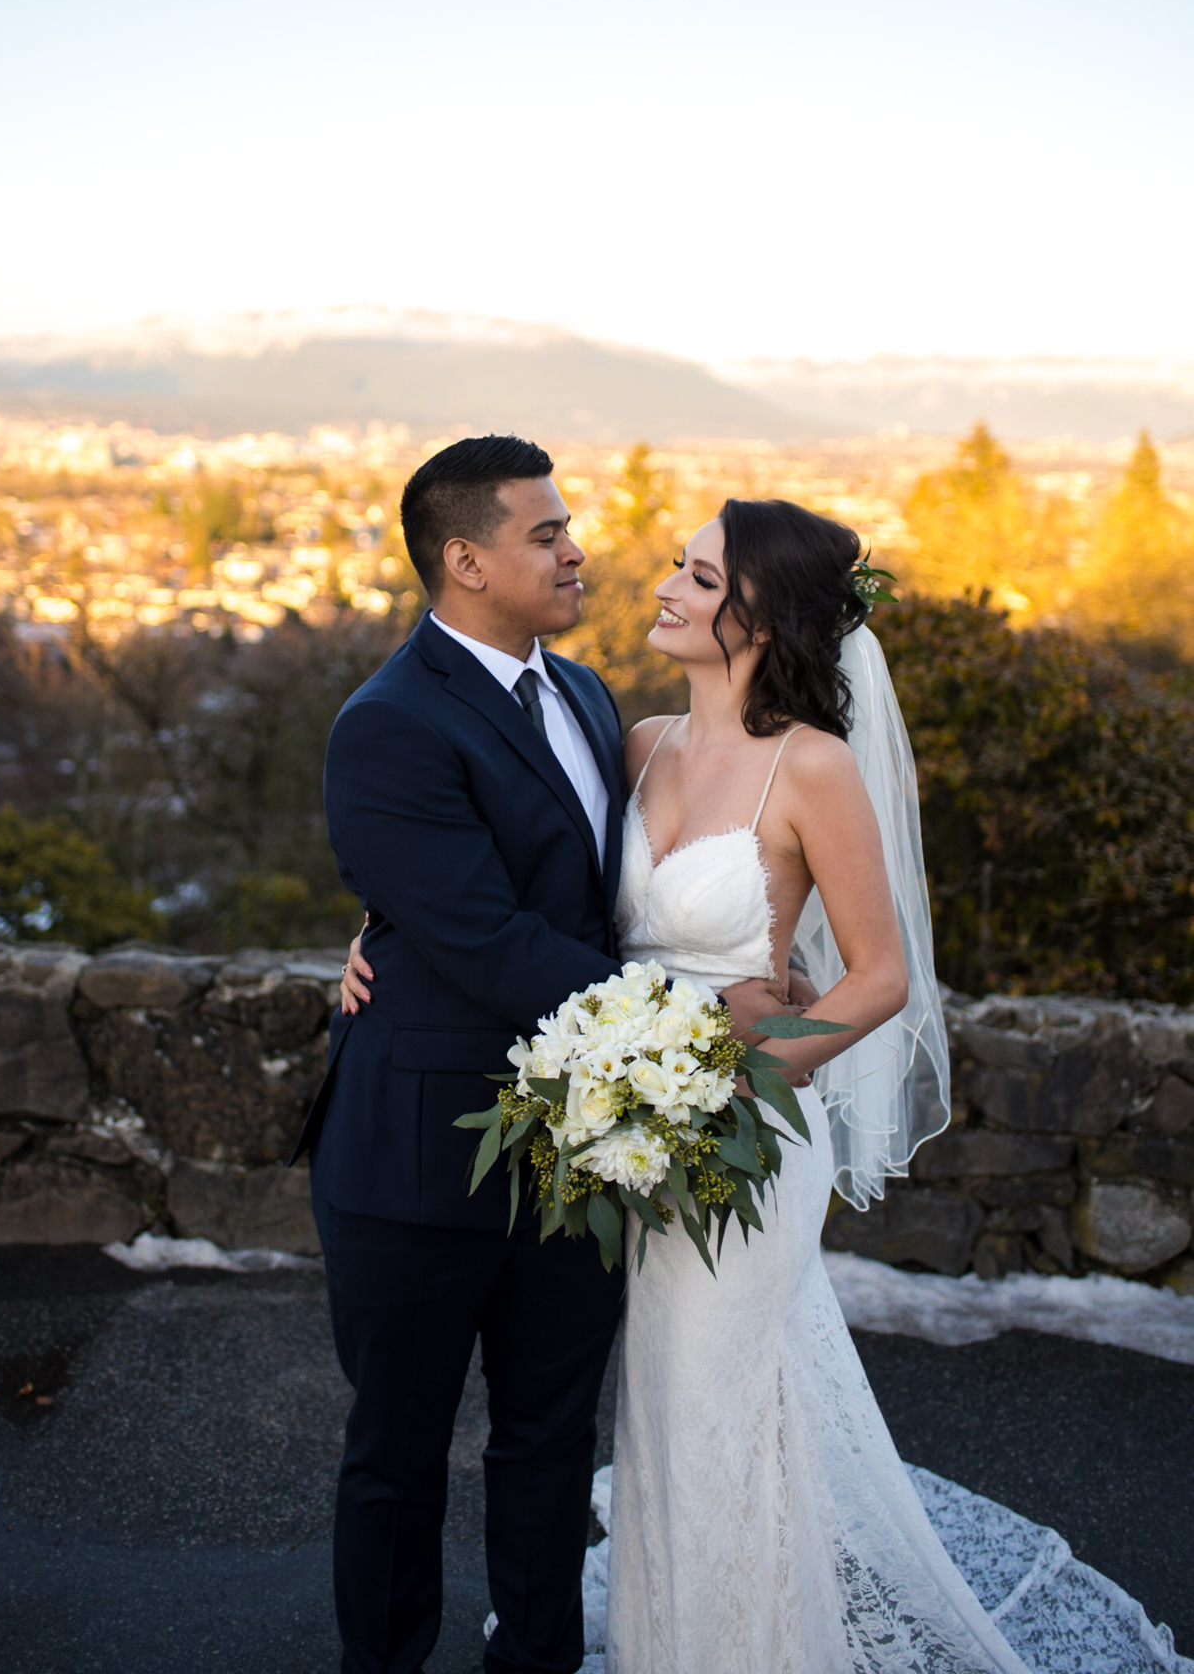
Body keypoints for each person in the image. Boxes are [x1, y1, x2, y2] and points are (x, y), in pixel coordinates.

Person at [338, 490, 1028, 1672]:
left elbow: (876, 980)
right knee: (649, 1412)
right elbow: (499, 876)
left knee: (713, 1403)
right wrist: (369, 936)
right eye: (677, 565)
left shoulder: (810, 767)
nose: (658, 582)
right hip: (623, 1133)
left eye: (699, 578)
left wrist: (728, 1077)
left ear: (762, 615)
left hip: (738, 1131)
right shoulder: (632, 734)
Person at [303, 438, 807, 1674]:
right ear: (464, 558)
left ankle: (536, 1657)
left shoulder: (586, 696)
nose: (576, 546)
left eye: (566, 523)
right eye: (544, 531)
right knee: (397, 1451)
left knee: (546, 1439)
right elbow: (483, 936)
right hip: (420, 1156)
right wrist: (701, 1023)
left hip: (582, 1147)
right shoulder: (385, 723)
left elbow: (596, 900)